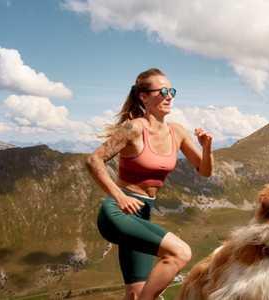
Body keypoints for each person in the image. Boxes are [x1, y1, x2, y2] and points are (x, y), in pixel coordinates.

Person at [85, 68, 214, 300]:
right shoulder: (133, 128)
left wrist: (206, 147)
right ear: (143, 97)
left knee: (134, 292)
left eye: (171, 91)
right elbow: (93, 160)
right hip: (118, 212)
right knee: (180, 253)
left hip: (143, 213)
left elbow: (204, 171)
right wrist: (119, 196)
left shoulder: (178, 132)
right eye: (162, 91)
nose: (169, 96)